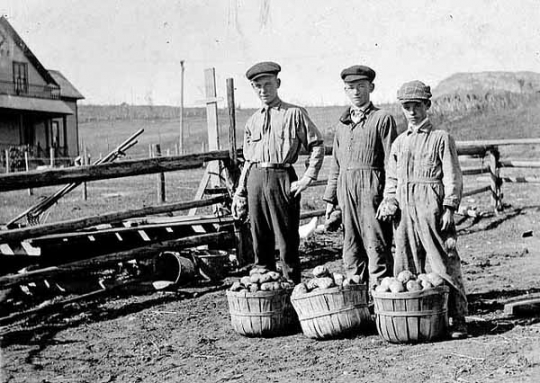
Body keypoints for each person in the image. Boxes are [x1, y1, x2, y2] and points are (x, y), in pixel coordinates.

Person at [379, 80, 468, 339]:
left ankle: (457, 318)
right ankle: (416, 321)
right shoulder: (398, 144)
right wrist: (390, 202)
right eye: (407, 106)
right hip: (405, 210)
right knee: (405, 263)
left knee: (443, 262)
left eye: (417, 105)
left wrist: (450, 206)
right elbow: (392, 181)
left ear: (427, 106)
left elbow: (452, 176)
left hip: (432, 206)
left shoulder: (441, 138)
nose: (412, 111)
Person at [231, 61, 325, 283]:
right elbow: (247, 160)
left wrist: (307, 178)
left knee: (286, 240)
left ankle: (292, 287)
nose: (263, 90)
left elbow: (317, 144)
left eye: (268, 84)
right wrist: (240, 191)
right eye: (258, 86)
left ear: (278, 83)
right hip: (255, 179)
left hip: (281, 178)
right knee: (259, 238)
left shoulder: (294, 114)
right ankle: (265, 288)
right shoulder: (252, 121)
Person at [323, 65, 397, 288]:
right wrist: (330, 200)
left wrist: (389, 196)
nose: (356, 92)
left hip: (372, 190)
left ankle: (382, 301)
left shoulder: (382, 119)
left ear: (371, 88)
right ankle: (358, 302)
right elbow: (336, 164)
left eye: (361, 87)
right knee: (351, 249)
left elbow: (391, 162)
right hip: (346, 193)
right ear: (345, 90)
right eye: (351, 87)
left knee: (377, 246)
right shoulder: (342, 124)